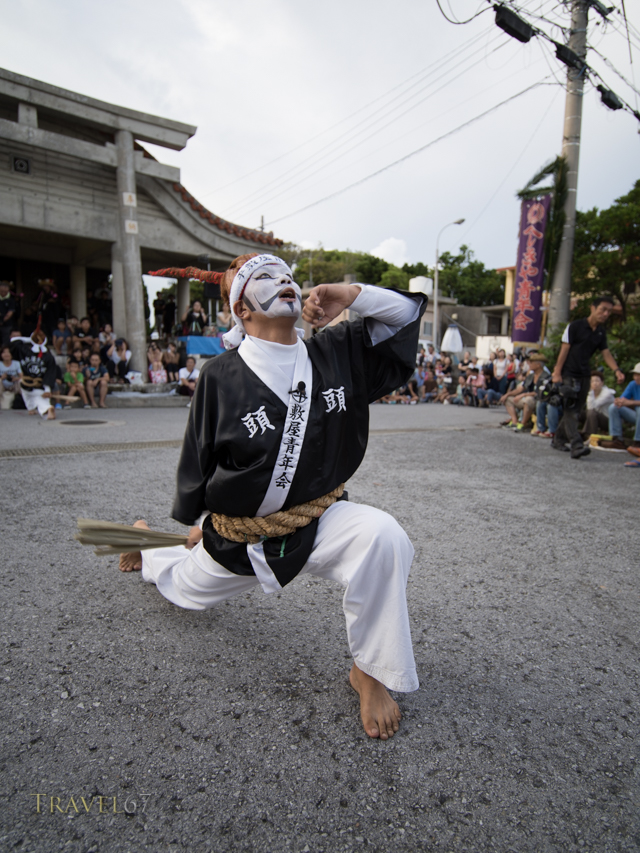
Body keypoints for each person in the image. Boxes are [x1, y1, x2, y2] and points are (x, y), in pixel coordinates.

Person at [118, 252, 426, 741]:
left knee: (384, 536)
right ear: (241, 309)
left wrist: (351, 296)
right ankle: (150, 544)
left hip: (321, 520)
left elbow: (404, 316)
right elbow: (199, 458)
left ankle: (369, 672)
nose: (283, 282)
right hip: (244, 538)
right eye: (264, 278)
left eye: (286, 275)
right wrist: (204, 522)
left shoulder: (336, 351)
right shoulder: (221, 374)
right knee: (182, 591)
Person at [551, 296, 625, 458]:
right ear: (592, 308)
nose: (605, 314)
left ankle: (558, 439)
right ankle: (576, 445)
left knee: (576, 409)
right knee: (570, 409)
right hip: (568, 373)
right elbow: (564, 350)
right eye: (603, 309)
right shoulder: (575, 326)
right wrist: (557, 373)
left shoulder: (600, 332)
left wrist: (617, 370)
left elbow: (606, 353)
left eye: (609, 311)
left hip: (585, 374)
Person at [11, 326, 57, 419]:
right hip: (33, 383)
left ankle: (47, 409)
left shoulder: (25, 351)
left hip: (33, 384)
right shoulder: (48, 356)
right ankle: (32, 408)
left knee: (37, 398)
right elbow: (50, 374)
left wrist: (30, 339)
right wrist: (32, 339)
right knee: (33, 396)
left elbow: (14, 340)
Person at [501, 353, 549, 431]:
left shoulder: (546, 376)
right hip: (527, 398)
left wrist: (524, 394)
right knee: (508, 399)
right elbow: (520, 389)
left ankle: (523, 424)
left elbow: (540, 392)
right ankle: (514, 421)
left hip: (538, 400)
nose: (529, 364)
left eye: (531, 362)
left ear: (538, 365)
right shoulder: (531, 376)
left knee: (528, 399)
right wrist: (507, 394)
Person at [602, 363, 640, 451]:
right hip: (636, 416)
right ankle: (617, 439)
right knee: (613, 407)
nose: (636, 377)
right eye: (635, 374)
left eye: (639, 375)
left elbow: (629, 402)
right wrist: (618, 401)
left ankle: (638, 441)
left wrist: (631, 402)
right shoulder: (633, 384)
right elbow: (623, 400)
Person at [582, 371, 615, 439]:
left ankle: (590, 437)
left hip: (608, 421)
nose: (594, 383)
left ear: (602, 383)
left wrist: (590, 392)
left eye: (597, 381)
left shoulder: (607, 394)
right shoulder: (592, 393)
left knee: (591, 413)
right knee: (578, 412)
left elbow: (592, 407)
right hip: (596, 416)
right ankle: (574, 434)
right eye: (592, 381)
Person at [0, 344, 22, 410]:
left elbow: (22, 376)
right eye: (4, 352)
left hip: (14, 387)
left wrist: (15, 378)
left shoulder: (16, 363)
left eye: (8, 352)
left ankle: (26, 399)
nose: (6, 354)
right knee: (5, 408)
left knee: (22, 381)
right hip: (3, 389)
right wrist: (2, 377)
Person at [0, 281, 16, 347]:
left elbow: (10, 312)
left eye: (6, 287)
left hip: (7, 324)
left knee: (5, 342)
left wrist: (2, 321)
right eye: (2, 287)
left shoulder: (11, 300)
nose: (4, 289)